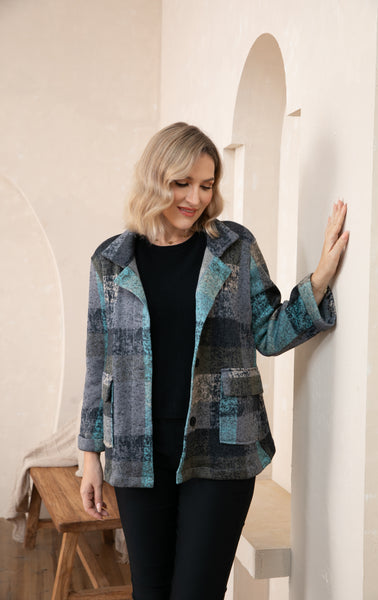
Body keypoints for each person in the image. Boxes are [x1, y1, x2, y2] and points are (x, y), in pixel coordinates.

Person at [78, 122, 349, 600]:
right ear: (154, 179)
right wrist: (89, 454)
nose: (196, 198)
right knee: (149, 592)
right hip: (137, 449)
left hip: (222, 445)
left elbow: (269, 333)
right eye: (182, 183)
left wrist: (320, 280)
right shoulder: (111, 260)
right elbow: (97, 359)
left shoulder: (234, 248)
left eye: (206, 185)